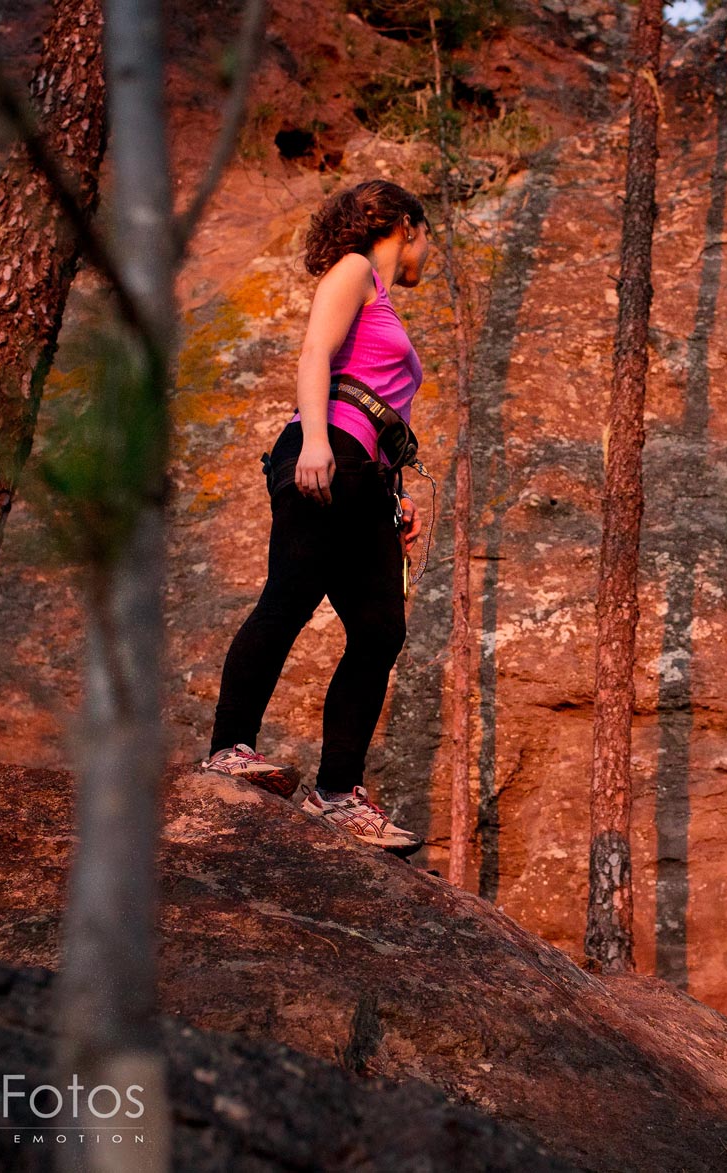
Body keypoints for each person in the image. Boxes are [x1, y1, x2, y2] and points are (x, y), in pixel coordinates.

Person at [198, 179, 431, 856]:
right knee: (290, 597)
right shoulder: (355, 270)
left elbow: (384, 407)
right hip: (324, 453)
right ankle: (227, 749)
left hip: (370, 476)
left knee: (381, 629)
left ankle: (336, 792)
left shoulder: (381, 297)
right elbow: (313, 356)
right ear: (409, 226)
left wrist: (397, 492)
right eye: (427, 240)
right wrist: (321, 442)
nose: (427, 256)